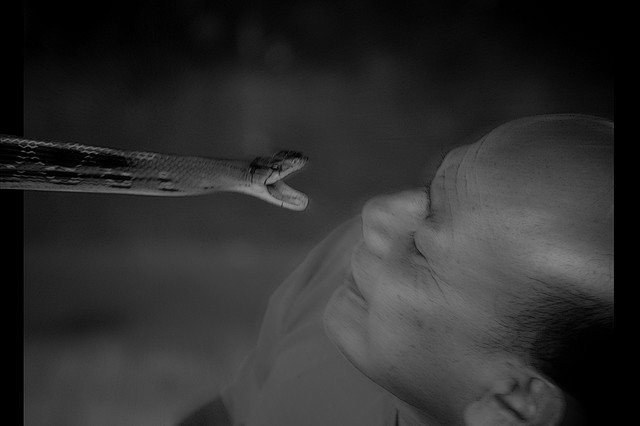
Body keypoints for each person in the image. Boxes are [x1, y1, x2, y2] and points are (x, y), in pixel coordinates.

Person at [178, 114, 614, 426]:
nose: (373, 213)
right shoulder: (342, 283)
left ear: (515, 403)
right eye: (428, 192)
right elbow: (232, 411)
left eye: (422, 248)